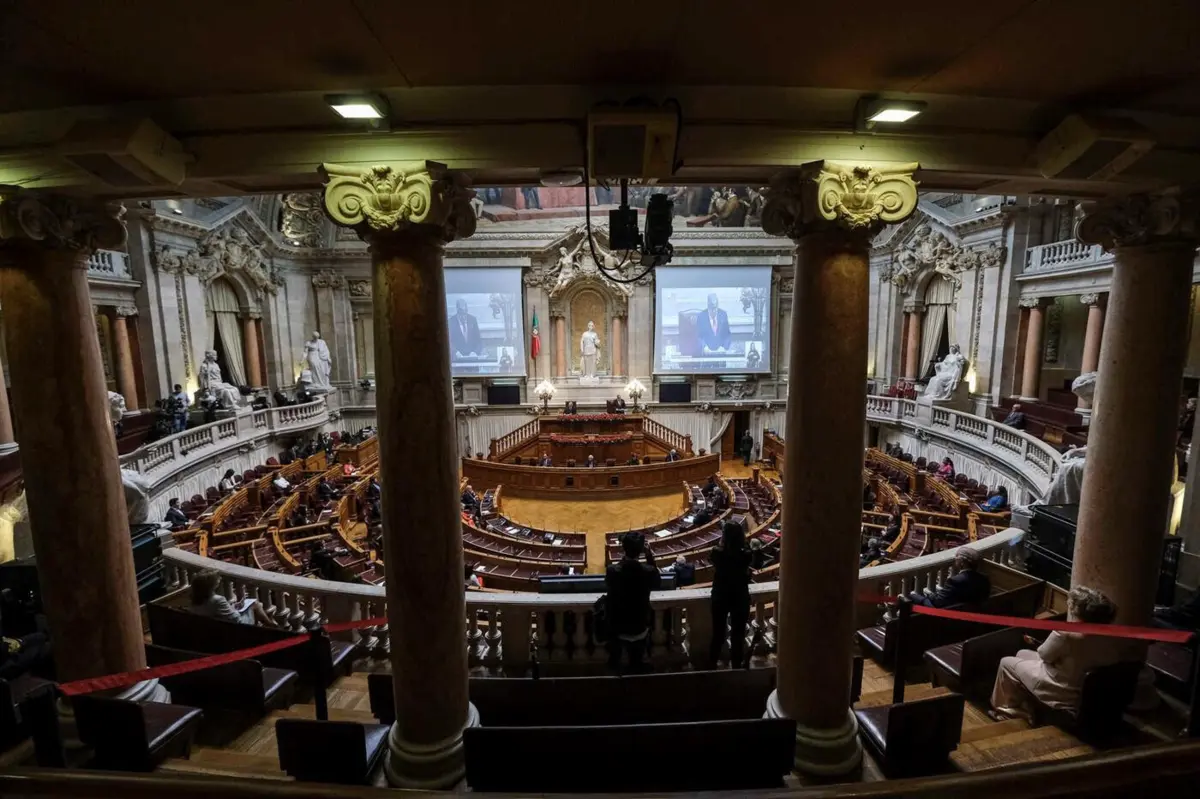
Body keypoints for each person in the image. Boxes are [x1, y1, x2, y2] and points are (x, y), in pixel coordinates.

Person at [990, 586, 1127, 722]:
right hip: (1083, 687)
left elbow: (1045, 656)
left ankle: (1005, 713)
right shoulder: (1111, 635)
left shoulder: (1066, 633)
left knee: (1006, 663)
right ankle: (1025, 705)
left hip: (1060, 688)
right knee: (1022, 653)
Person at [604, 533, 660, 671]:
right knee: (638, 662)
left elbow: (611, 583)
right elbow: (657, 580)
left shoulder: (613, 571)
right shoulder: (648, 572)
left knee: (616, 665)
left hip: (619, 626)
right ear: (641, 550)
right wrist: (649, 556)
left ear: (623, 548)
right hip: (640, 625)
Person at [709, 522, 752, 667]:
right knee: (738, 636)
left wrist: (723, 543)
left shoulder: (717, 552)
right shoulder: (746, 554)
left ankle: (711, 665)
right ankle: (736, 667)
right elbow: (747, 553)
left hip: (721, 595)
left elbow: (714, 558)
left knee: (718, 635)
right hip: (740, 596)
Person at [188, 569, 276, 627]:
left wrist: (233, 606)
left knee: (250, 604)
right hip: (237, 627)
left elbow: (217, 611)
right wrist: (236, 610)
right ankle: (270, 626)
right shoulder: (218, 599)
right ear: (211, 585)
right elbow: (236, 620)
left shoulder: (195, 597)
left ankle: (268, 624)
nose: (219, 581)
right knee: (255, 604)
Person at [909, 547, 990, 608]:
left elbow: (938, 603)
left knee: (913, 597)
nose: (955, 561)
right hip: (972, 614)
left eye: (956, 559)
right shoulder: (984, 579)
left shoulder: (955, 581)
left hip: (948, 618)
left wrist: (928, 596)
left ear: (962, 563)